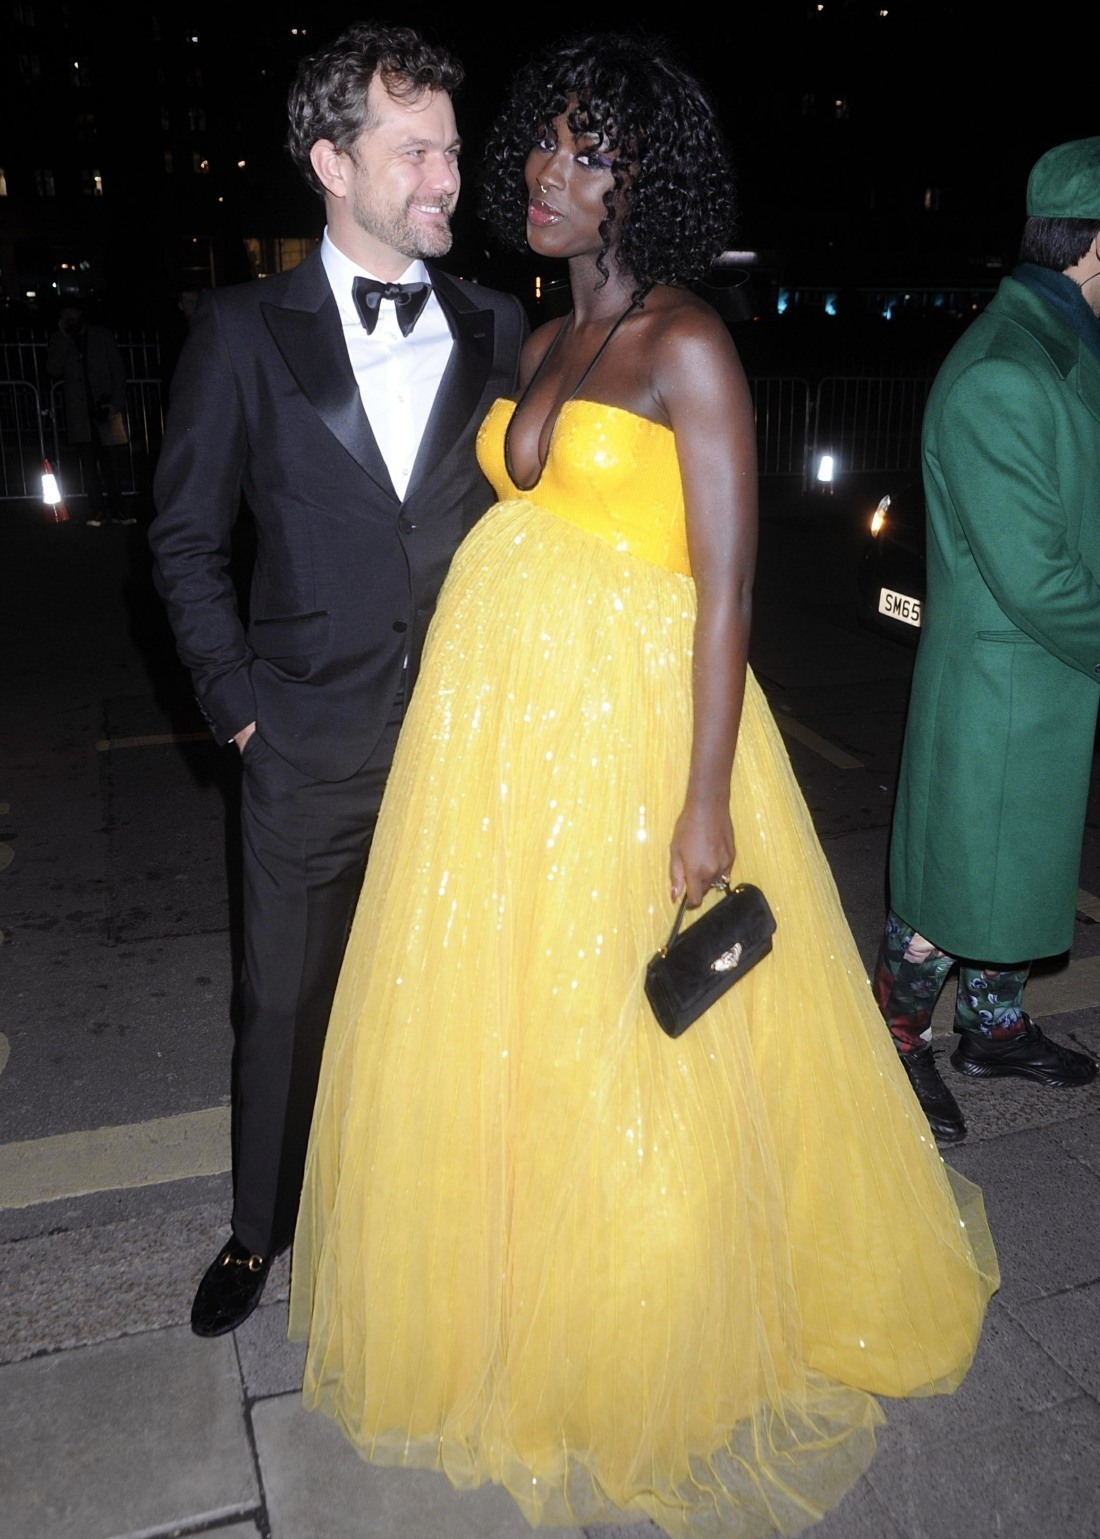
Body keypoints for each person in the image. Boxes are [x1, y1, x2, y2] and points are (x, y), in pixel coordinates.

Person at [289, 33, 997, 1538]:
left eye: (588, 152)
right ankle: (519, 1293)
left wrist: (704, 798)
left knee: (646, 1045)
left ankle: (657, 1319)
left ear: (646, 179)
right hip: (499, 754)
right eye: (540, 146)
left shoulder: (689, 345)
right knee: (512, 1031)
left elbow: (727, 590)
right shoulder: (540, 339)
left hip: (631, 747)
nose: (549, 172)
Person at [148, 21, 526, 1338]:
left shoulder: (499, 322)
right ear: (331, 160)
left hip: (466, 747)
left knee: (456, 994)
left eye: (454, 147)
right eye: (415, 148)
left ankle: (430, 1208)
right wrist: (239, 705)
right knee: (285, 1002)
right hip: (305, 740)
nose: (448, 175)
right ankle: (262, 1231)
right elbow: (185, 534)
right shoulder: (243, 330)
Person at [873, 138, 1100, 1147]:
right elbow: (1036, 577)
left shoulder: (1061, 345)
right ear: (1092, 246)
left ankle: (994, 1029)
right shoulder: (1006, 373)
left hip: (1038, 685)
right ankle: (896, 1040)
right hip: (1002, 690)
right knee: (952, 889)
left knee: (1016, 871)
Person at [47, 304, 133, 527]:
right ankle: (97, 511)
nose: (70, 317)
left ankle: (118, 510)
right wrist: (65, 339)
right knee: (88, 466)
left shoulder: (101, 335)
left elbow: (118, 371)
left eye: (73, 312)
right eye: (66, 314)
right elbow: (53, 369)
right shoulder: (60, 339)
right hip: (80, 415)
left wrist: (115, 404)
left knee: (112, 464)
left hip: (104, 410)